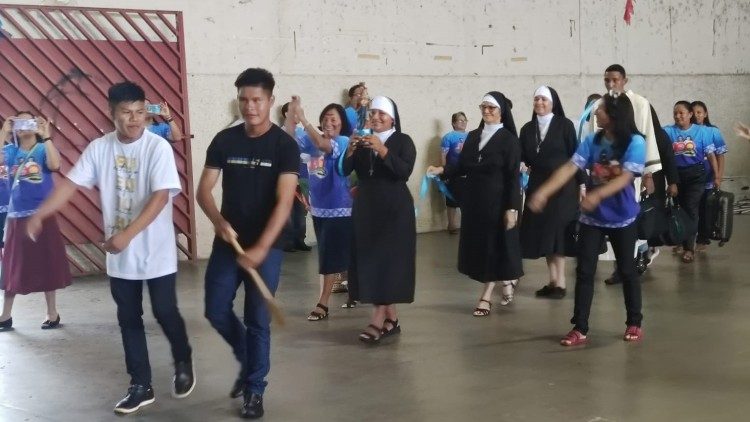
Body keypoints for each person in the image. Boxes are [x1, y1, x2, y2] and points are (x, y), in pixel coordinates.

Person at [28, 82, 194, 414]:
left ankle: (183, 359)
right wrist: (41, 214)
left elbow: (162, 196)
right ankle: (140, 385)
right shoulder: (99, 148)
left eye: (139, 112)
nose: (135, 120)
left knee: (165, 313)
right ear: (111, 114)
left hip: (156, 252)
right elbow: (71, 184)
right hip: (121, 257)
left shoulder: (156, 147)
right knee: (129, 318)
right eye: (126, 113)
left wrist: (127, 235)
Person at [196, 68, 299, 419]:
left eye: (257, 100)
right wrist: (218, 220)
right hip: (230, 243)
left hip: (266, 247)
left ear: (270, 101)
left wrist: (261, 248)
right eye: (244, 100)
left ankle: (255, 389)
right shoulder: (225, 141)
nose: (250, 107)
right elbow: (204, 190)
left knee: (257, 318)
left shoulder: (285, 146)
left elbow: (285, 203)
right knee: (215, 308)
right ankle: (247, 356)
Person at [528, 92, 646, 346]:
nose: (595, 113)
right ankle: (579, 327)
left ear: (614, 115)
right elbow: (570, 168)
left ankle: (634, 322)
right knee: (584, 272)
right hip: (593, 218)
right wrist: (544, 192)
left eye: (600, 110)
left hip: (623, 217)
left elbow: (626, 177)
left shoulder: (634, 142)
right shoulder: (592, 140)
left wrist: (598, 194)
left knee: (627, 270)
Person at [428, 91, 523, 316]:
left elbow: (512, 176)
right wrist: (442, 170)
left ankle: (485, 297)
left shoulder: (509, 140)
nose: (487, 111)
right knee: (485, 249)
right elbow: (462, 166)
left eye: (492, 108)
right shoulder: (472, 136)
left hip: (498, 202)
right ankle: (507, 279)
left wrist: (512, 208)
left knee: (493, 247)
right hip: (475, 203)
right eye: (484, 107)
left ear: (501, 112)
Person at [343, 95, 416, 343]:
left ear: (392, 118)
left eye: (381, 114)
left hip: (394, 211)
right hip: (367, 209)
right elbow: (345, 170)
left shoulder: (404, 141)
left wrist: (382, 149)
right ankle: (391, 318)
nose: (375, 118)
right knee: (371, 262)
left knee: (389, 264)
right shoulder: (363, 142)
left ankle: (377, 318)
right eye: (372, 114)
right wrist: (350, 150)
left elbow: (404, 171)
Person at [589, 64, 661, 285]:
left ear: (624, 80)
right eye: (607, 80)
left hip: (631, 172)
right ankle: (619, 267)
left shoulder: (640, 103)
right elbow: (594, 137)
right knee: (606, 220)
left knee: (627, 221)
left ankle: (627, 266)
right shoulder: (600, 105)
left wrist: (648, 174)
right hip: (604, 173)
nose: (611, 84)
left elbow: (647, 135)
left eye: (615, 80)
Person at [284, 97, 354, 321]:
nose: (328, 122)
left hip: (341, 209)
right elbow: (287, 140)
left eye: (333, 119)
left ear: (341, 123)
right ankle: (354, 290)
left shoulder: (343, 142)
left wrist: (303, 118)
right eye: (325, 118)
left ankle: (323, 303)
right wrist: (291, 116)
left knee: (329, 256)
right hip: (319, 209)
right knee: (340, 253)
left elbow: (324, 145)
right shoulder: (310, 140)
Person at [0, 112, 70, 332]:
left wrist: (46, 136)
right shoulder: (10, 151)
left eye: (28, 121)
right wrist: (3, 133)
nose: (23, 126)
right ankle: (5, 315)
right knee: (13, 266)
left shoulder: (42, 149)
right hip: (17, 216)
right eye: (18, 122)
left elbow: (56, 164)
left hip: (43, 215)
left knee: (47, 262)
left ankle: (52, 313)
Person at [519, 86, 582, 299]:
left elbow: (576, 156)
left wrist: (582, 184)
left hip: (563, 186)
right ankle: (552, 280)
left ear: (553, 102)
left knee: (557, 232)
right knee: (545, 233)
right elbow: (524, 155)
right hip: (538, 185)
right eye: (536, 99)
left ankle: (561, 283)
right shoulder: (527, 129)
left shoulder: (565, 126)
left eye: (544, 99)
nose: (539, 103)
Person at [663, 101, 719, 264]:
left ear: (690, 115)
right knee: (678, 210)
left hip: (696, 175)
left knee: (691, 209)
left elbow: (711, 155)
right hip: (676, 176)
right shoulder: (668, 131)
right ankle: (681, 240)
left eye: (681, 113)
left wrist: (716, 176)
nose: (678, 116)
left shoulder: (702, 132)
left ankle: (689, 249)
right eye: (675, 113)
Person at [691, 101, 728, 250]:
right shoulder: (687, 131)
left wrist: (718, 176)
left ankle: (702, 239)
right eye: (693, 112)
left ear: (705, 114)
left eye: (700, 112)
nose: (697, 115)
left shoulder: (713, 131)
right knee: (691, 209)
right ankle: (685, 241)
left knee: (706, 210)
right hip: (691, 178)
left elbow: (720, 156)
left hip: (708, 177)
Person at [280, 102, 312, 252]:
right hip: (287, 176)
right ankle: (287, 241)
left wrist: (309, 156)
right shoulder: (281, 132)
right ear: (286, 114)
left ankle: (300, 239)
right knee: (287, 209)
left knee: (302, 209)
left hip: (304, 174)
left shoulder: (303, 132)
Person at [440, 112, 468, 233]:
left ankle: (467, 225)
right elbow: (443, 156)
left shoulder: (472, 136)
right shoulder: (448, 137)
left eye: (465, 120)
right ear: (453, 123)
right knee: (451, 200)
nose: (463, 122)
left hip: (468, 173)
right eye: (460, 120)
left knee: (467, 201)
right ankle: (451, 225)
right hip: (452, 174)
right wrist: (444, 173)